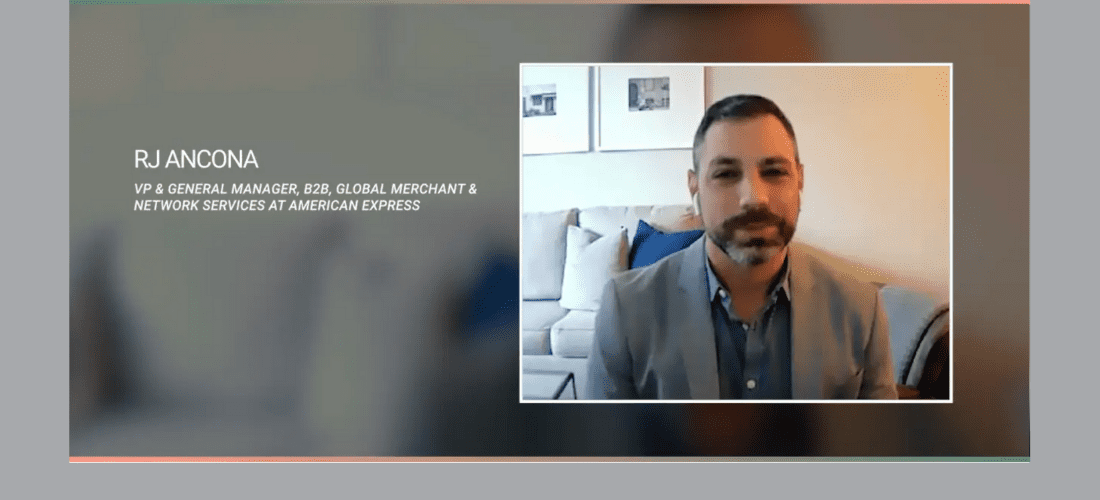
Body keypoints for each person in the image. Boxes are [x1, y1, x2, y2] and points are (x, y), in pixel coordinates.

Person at [587, 94, 897, 400]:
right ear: (694, 187)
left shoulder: (860, 308)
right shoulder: (626, 310)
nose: (754, 198)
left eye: (774, 172)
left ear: (799, 181)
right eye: (726, 174)